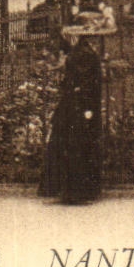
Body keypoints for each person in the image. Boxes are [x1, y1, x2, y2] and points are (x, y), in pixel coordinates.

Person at [39, 28, 105, 204]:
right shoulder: (82, 53)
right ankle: (76, 191)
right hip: (77, 106)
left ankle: (73, 191)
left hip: (76, 106)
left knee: (72, 146)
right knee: (75, 146)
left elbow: (80, 81)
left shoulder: (81, 53)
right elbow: (81, 80)